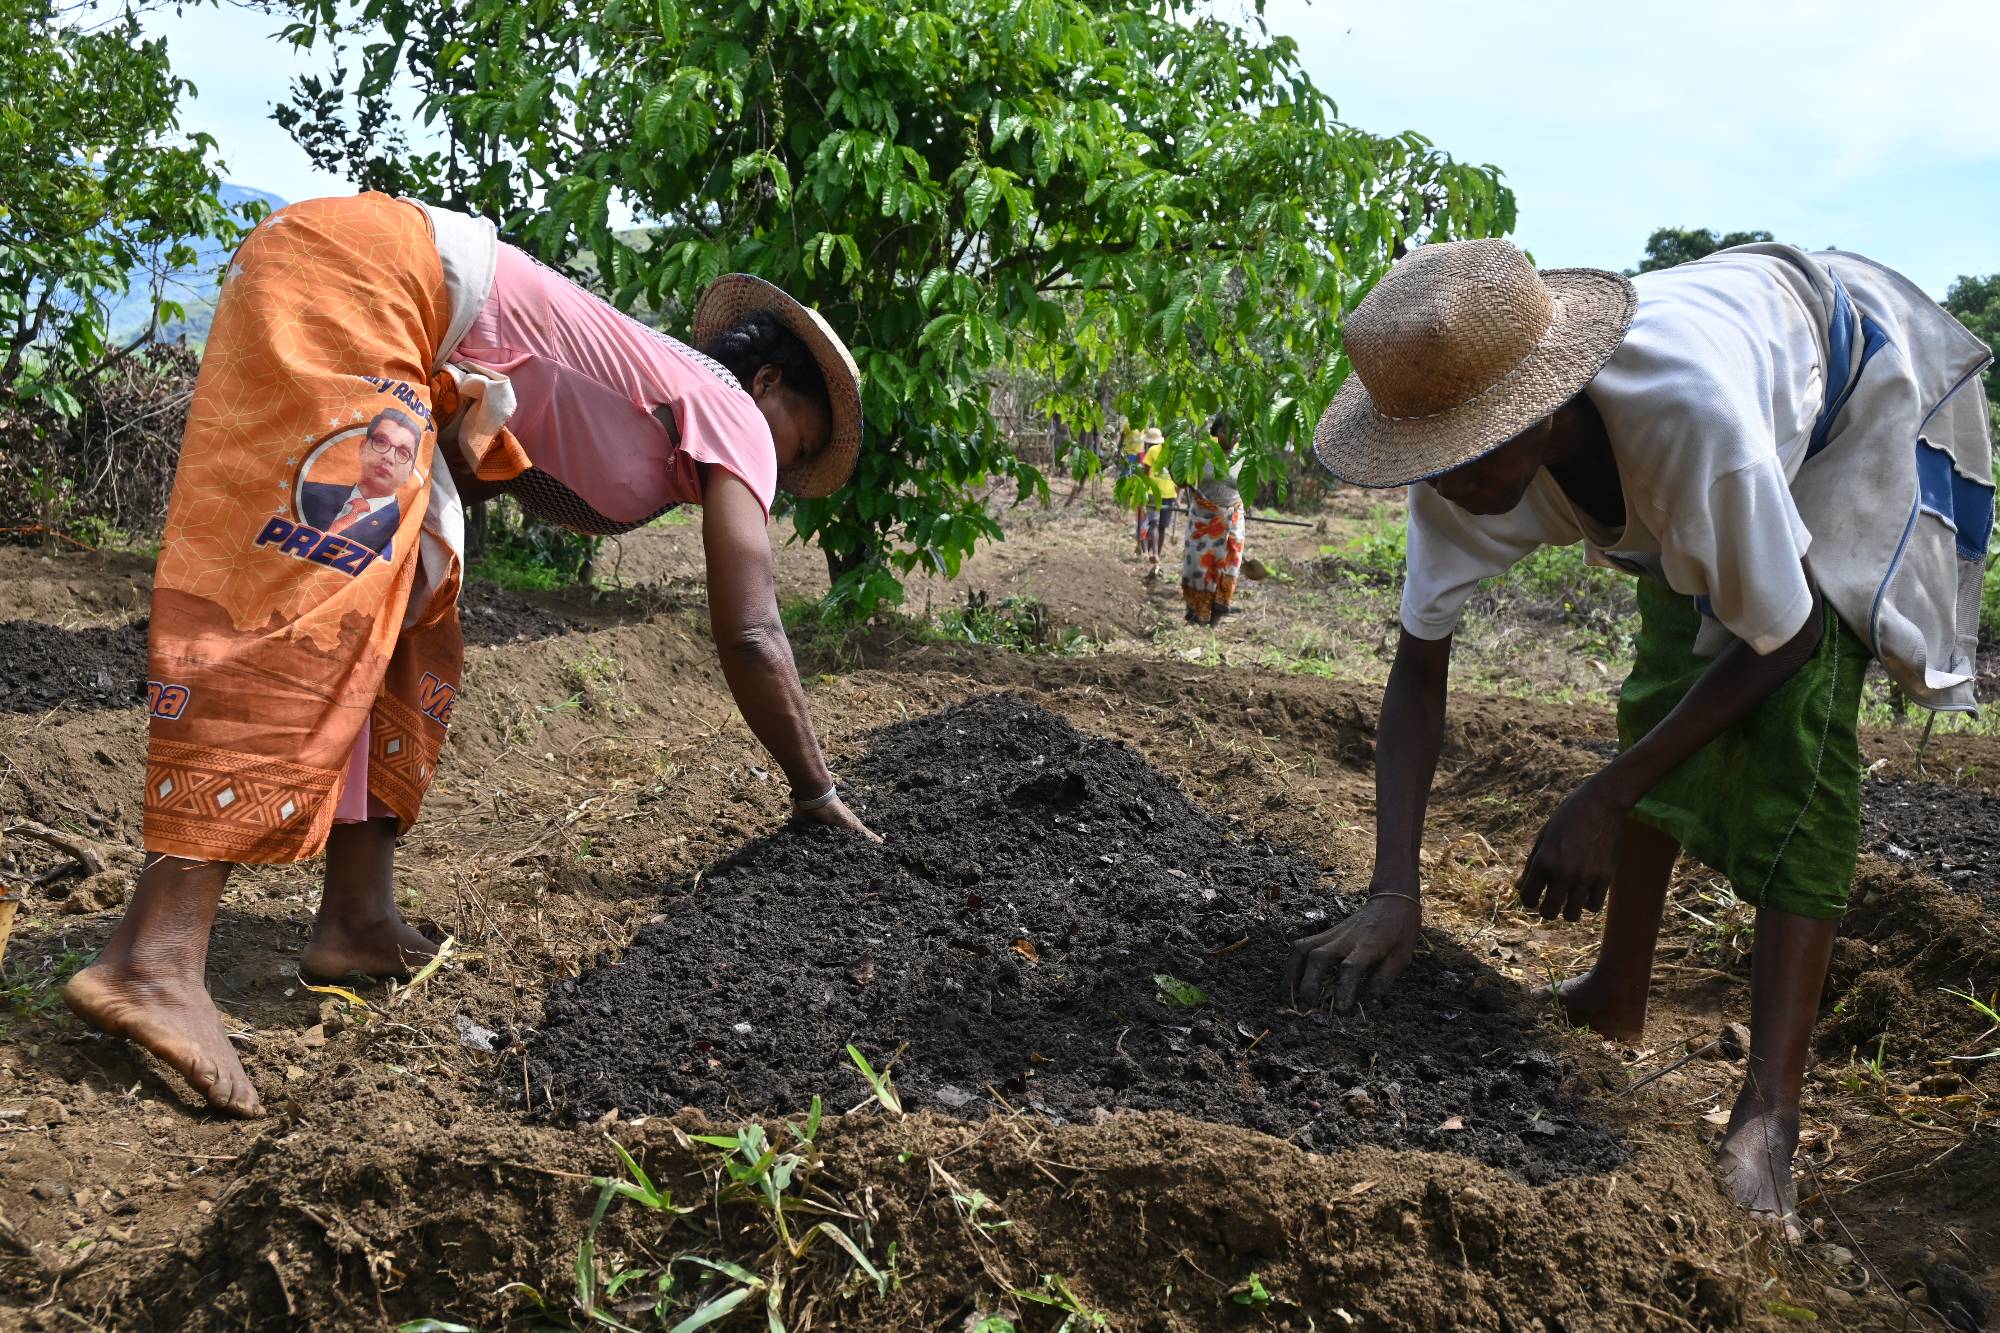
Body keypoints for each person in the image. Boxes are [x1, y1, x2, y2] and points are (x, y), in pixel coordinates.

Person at [64, 192, 879, 1118]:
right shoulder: (731, 409)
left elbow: (492, 459)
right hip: (369, 281)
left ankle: (356, 916)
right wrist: (817, 791)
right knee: (315, 592)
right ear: (769, 383)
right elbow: (751, 629)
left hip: (371, 281)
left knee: (401, 599)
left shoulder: (666, 394)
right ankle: (153, 956)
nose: (781, 471)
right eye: (798, 442)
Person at [1285, 239, 1992, 1236]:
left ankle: (1770, 1112)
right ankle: (1617, 990)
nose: (1443, 486)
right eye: (1426, 460)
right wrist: (1393, 890)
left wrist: (1604, 797)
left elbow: (1781, 638)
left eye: (1467, 451)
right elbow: (1418, 666)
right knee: (1663, 682)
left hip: (1845, 394)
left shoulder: (1691, 423)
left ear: (1538, 404)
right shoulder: (1452, 469)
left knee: (1797, 743)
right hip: (1710, 421)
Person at [298, 407, 421, 557]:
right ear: (363, 448)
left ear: (410, 472)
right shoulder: (306, 494)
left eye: (403, 453)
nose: (389, 457)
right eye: (381, 442)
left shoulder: (403, 531)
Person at [1180, 415, 1247, 625]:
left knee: (1229, 565)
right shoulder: (1202, 453)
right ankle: (1196, 613)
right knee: (1198, 567)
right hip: (1203, 518)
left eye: (1236, 431)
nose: (1233, 436)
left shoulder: (1244, 457)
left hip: (1232, 517)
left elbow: (1247, 486)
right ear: (1217, 433)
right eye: (1227, 431)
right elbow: (1183, 479)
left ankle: (1216, 617)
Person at [1137, 426, 1178, 579]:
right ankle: (1154, 553)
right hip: (1153, 493)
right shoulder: (1153, 451)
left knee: (1162, 527)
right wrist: (1144, 489)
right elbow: (1145, 472)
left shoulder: (1175, 455)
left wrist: (1178, 497)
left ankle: (1157, 558)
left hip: (1169, 494)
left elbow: (1178, 477)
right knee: (1154, 523)